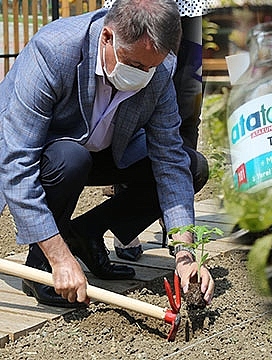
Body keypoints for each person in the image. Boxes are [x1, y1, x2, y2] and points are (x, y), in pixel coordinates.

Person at [0, 0, 214, 308]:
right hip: (51, 153)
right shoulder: (54, 50)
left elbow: (169, 159)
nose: (143, 75)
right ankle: (39, 265)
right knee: (70, 158)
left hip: (109, 148)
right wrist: (59, 257)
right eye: (135, 65)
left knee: (192, 167)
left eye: (150, 67)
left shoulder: (158, 68)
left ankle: (85, 234)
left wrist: (185, 255)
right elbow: (17, 161)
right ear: (107, 38)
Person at [103, 0, 207, 261]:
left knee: (188, 110)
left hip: (188, 8)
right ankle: (125, 224)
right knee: (129, 107)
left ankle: (174, 217)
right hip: (135, 9)